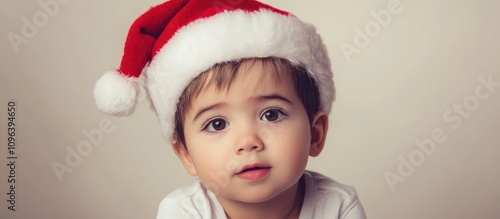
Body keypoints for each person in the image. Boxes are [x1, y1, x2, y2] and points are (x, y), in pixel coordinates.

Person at [93, 0, 367, 218]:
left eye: (271, 114)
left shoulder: (338, 206)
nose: (248, 141)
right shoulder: (183, 213)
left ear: (315, 134)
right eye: (217, 124)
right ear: (186, 154)